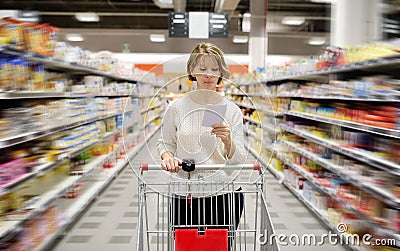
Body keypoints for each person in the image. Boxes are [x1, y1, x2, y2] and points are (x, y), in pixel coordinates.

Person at [156, 42, 246, 249]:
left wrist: (228, 140)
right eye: (202, 68)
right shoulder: (177, 107)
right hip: (185, 193)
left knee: (219, 247)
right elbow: (165, 142)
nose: (208, 75)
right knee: (187, 247)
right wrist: (167, 157)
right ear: (191, 71)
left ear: (221, 73)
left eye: (215, 69)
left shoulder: (230, 110)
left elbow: (239, 159)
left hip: (223, 194)